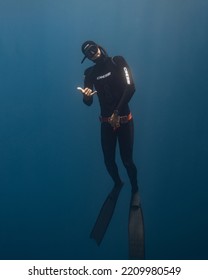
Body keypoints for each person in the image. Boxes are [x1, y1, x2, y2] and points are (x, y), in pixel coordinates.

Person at [77, 40, 144, 259]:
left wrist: (116, 111)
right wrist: (86, 96)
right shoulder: (90, 72)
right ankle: (118, 183)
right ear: (87, 56)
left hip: (124, 121)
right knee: (108, 162)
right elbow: (87, 103)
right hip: (106, 123)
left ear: (100, 47)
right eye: (88, 52)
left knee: (127, 161)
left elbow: (131, 86)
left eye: (93, 48)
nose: (93, 52)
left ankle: (134, 189)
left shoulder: (118, 62)